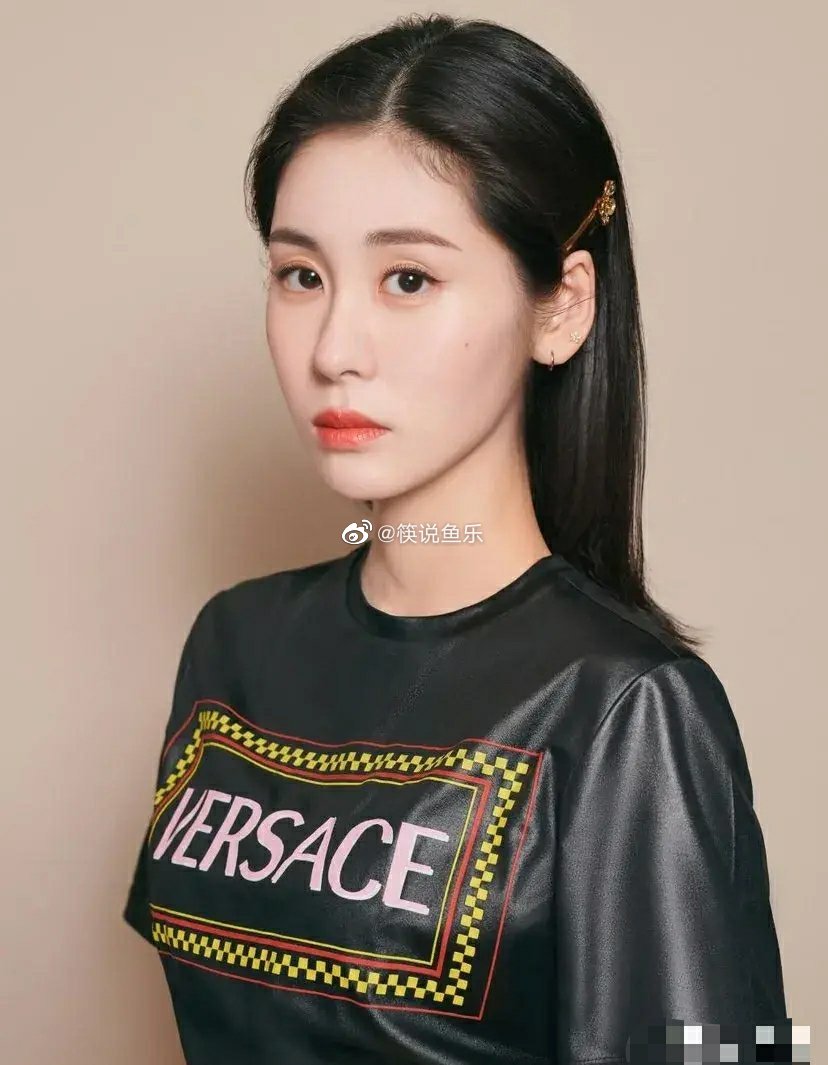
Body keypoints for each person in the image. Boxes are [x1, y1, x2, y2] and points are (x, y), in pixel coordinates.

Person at [123, 13, 788, 1065]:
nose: (334, 349)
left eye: (408, 279)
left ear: (561, 308)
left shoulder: (628, 708)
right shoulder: (233, 644)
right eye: (301, 275)